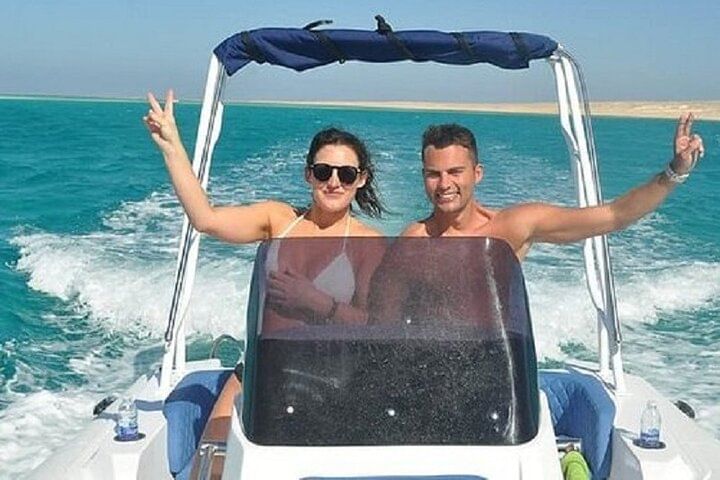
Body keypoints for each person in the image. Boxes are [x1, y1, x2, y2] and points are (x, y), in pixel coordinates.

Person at [144, 90, 386, 478]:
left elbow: (375, 327)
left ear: (361, 179)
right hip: (259, 372)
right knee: (213, 468)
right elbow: (206, 219)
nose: (334, 182)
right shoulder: (278, 219)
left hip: (329, 379)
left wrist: (317, 301)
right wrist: (172, 146)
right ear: (308, 174)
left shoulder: (368, 243)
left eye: (346, 174)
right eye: (323, 171)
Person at [402, 115, 705, 259]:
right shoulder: (414, 240)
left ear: (477, 173)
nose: (444, 184)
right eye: (434, 174)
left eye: (455, 172)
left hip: (496, 357)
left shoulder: (514, 225)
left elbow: (615, 215)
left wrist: (675, 171)